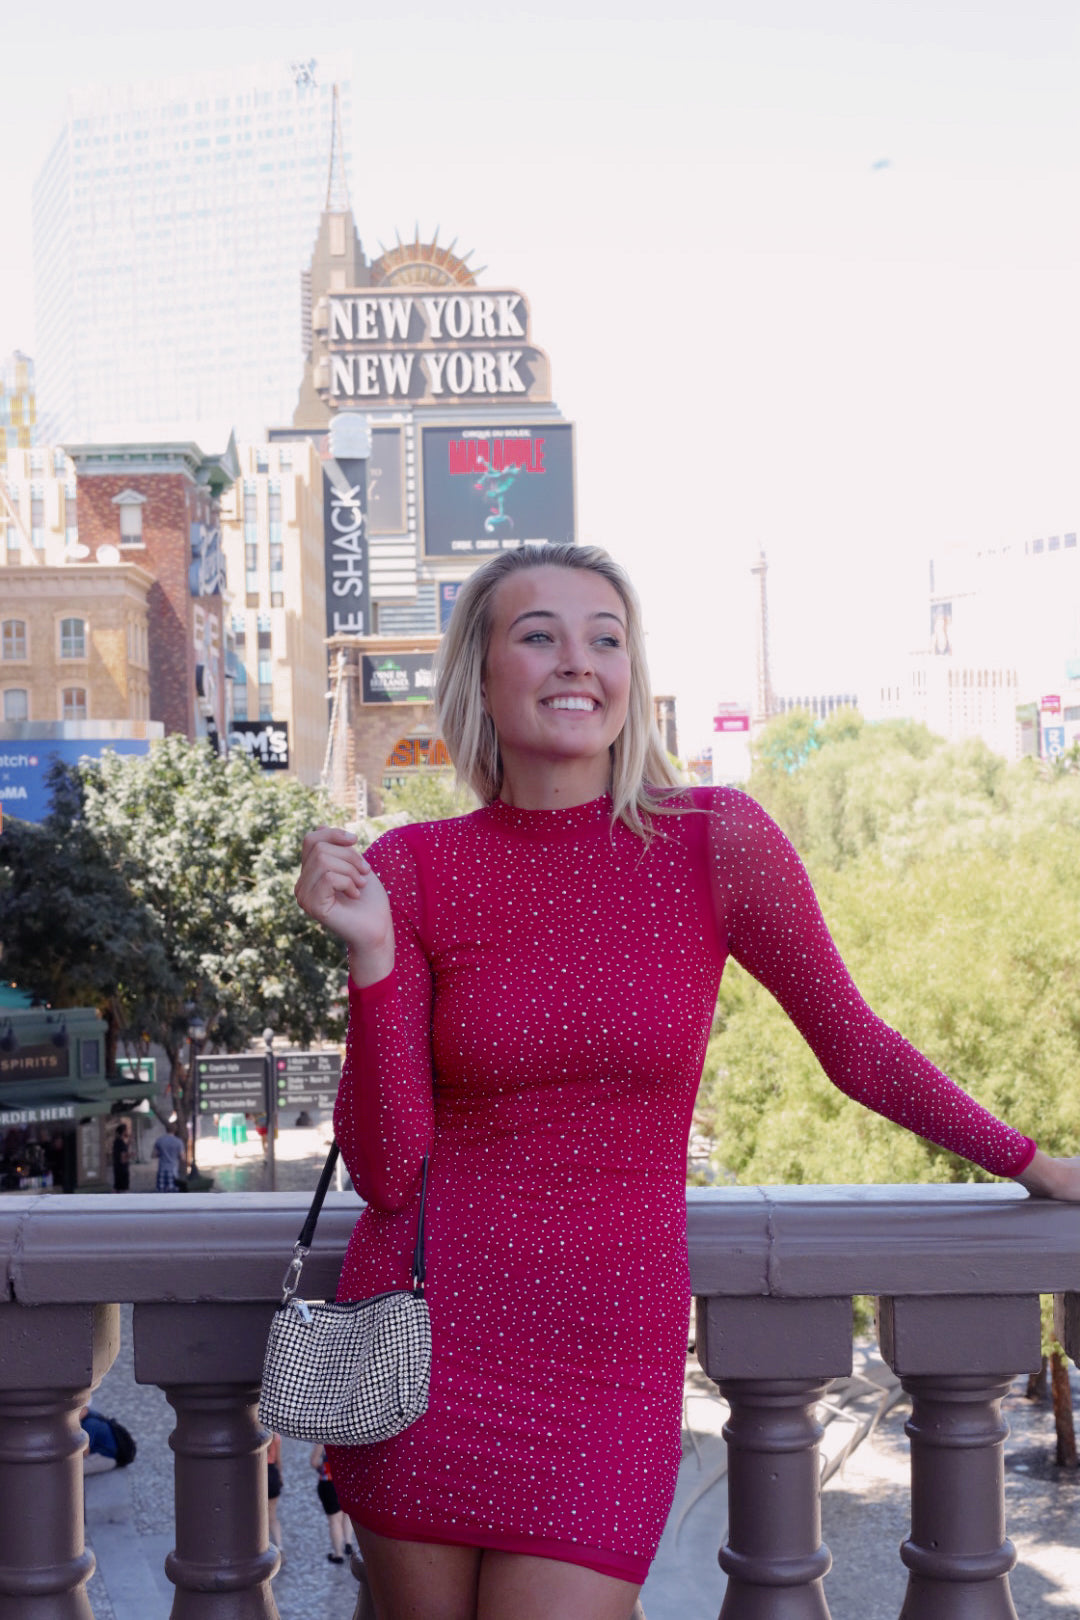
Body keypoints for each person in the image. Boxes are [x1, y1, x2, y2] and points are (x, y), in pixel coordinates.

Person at [294, 543, 1080, 1620]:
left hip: (604, 1360)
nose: (579, 662)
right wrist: (372, 959)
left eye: (605, 639)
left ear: (632, 675)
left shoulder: (716, 842)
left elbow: (851, 1042)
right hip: (425, 1346)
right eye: (540, 635)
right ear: (479, 675)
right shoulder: (413, 867)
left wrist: (1035, 1163)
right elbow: (386, 1169)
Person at [310, 1444, 353, 1564]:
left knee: (334, 1520)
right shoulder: (349, 1437)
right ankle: (348, 1543)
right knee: (347, 1514)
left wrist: (323, 1469)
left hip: (328, 1483)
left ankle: (338, 1554)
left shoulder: (324, 1440)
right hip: (347, 1480)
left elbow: (313, 1461)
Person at [266, 1432, 284, 1559]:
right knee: (272, 1516)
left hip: (256, 1474)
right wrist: (280, 1476)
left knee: (258, 1518)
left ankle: (262, 1548)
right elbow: (279, 1461)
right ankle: (280, 1547)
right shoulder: (275, 1436)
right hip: (272, 1474)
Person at [152, 1123, 184, 1192]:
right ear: (175, 1130)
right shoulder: (179, 1142)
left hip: (162, 1168)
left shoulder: (159, 1140)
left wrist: (162, 1153)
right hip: (173, 1169)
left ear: (166, 1129)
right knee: (173, 1191)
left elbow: (153, 1155)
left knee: (161, 1191)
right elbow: (182, 1157)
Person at [111, 1121, 131, 1193]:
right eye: (127, 1130)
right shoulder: (121, 1142)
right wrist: (130, 1155)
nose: (128, 1131)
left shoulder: (117, 1141)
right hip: (122, 1168)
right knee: (123, 1188)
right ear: (123, 1131)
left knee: (117, 1186)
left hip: (117, 1167)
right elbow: (123, 1157)